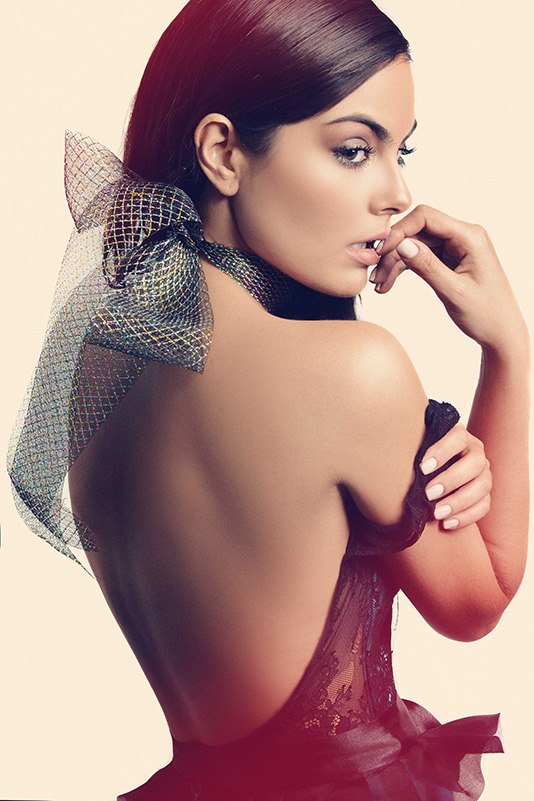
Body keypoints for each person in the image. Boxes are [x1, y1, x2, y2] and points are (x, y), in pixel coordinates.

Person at [7, 0, 529, 799]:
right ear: (223, 152)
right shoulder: (354, 374)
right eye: (353, 150)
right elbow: (477, 598)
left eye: (400, 151)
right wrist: (510, 350)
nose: (396, 194)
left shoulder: (99, 355)